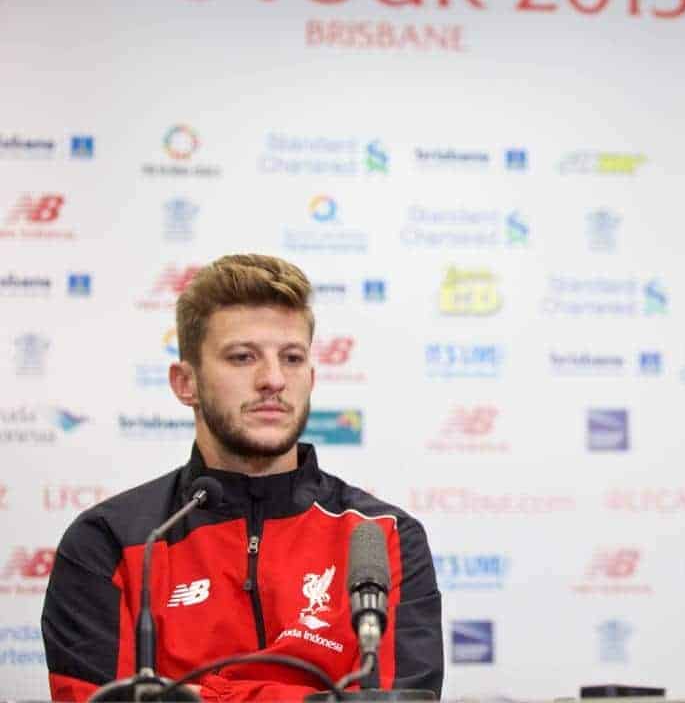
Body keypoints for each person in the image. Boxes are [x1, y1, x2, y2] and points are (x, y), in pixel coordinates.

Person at [42, 254, 443, 701]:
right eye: (242, 357)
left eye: (291, 358)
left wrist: (200, 696)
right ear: (185, 383)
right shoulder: (112, 541)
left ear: (310, 377)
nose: (272, 379)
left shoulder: (382, 536)